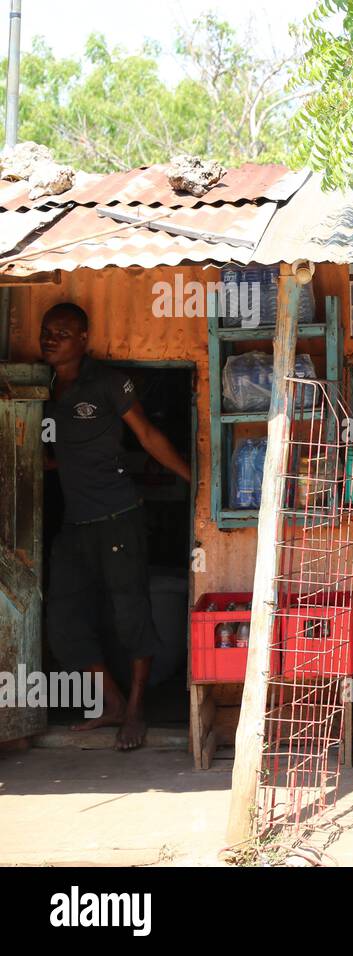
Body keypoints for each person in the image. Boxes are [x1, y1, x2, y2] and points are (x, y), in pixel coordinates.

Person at [40, 303, 192, 751]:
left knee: (131, 612)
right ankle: (111, 701)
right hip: (75, 523)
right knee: (63, 621)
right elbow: (60, 453)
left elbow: (146, 435)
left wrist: (196, 481)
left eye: (62, 333)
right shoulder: (42, 386)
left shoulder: (107, 381)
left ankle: (136, 709)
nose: (51, 339)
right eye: (47, 332)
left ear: (84, 338)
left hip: (117, 517)